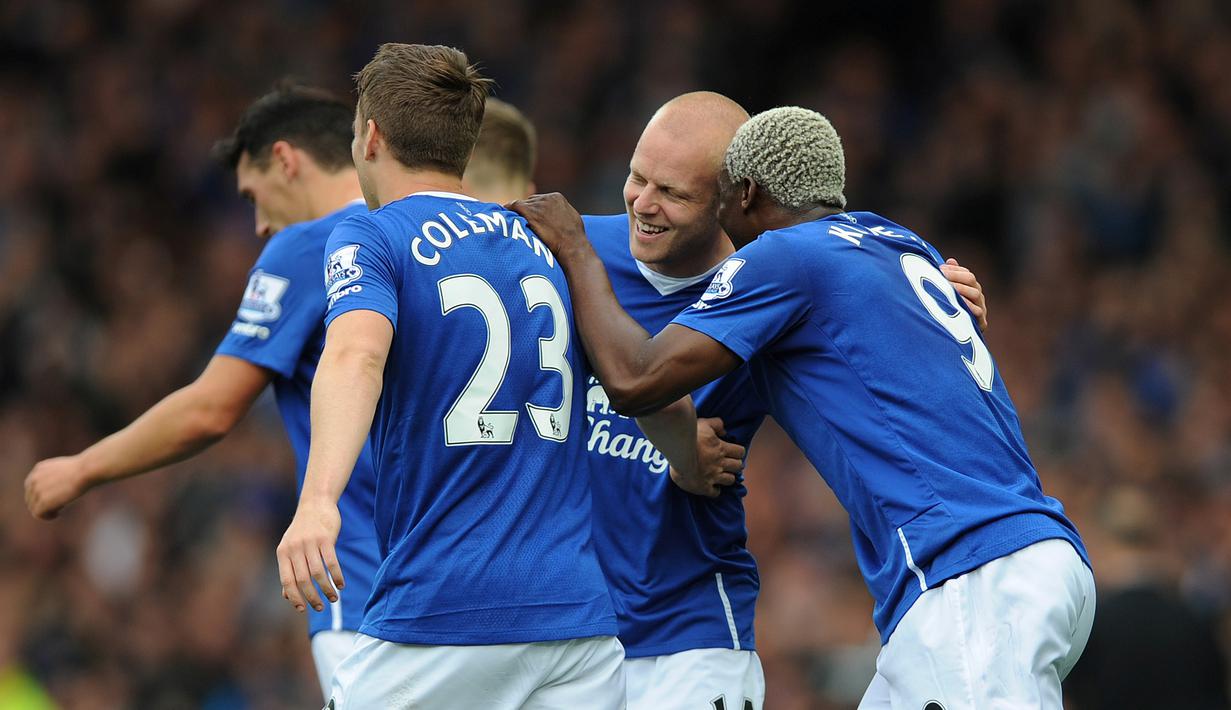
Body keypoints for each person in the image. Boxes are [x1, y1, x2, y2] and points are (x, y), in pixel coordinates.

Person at [510, 106, 1094, 709]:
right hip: (1025, 556)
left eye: (681, 192)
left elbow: (637, 380)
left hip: (970, 572)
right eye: (640, 179)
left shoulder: (783, 258)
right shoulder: (898, 242)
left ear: (743, 193)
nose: (645, 201)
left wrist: (577, 250)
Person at [274, 44, 625, 709]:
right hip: (578, 621)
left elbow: (354, 355)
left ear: (370, 137)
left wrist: (318, 499)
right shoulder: (549, 244)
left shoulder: (372, 236)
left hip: (447, 609)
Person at [21, 85, 381, 701]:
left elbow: (211, 409)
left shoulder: (311, 245)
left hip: (368, 578)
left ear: (286, 160)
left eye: (254, 196)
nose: (260, 224)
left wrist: (82, 468)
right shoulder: (423, 241)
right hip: (474, 578)